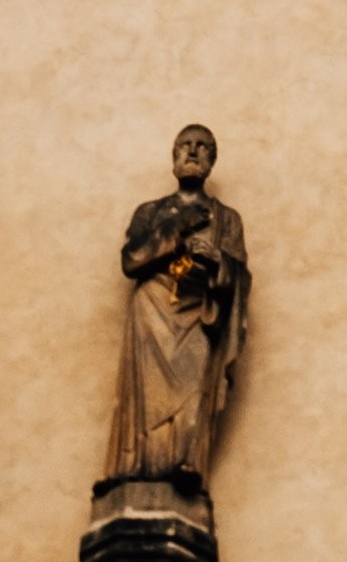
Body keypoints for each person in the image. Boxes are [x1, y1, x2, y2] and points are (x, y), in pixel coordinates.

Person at [103, 124, 250, 490]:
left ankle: (185, 464)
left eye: (203, 147)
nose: (193, 152)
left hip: (199, 312)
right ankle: (140, 465)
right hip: (152, 308)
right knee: (147, 396)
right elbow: (132, 259)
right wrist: (177, 229)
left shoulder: (226, 219)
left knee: (194, 382)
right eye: (185, 145)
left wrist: (217, 260)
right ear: (173, 158)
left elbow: (239, 278)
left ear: (212, 161)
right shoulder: (150, 212)